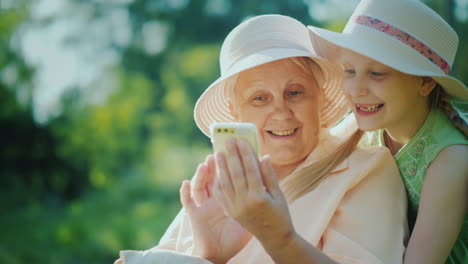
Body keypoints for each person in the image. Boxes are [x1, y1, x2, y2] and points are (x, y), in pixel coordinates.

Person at [114, 14, 408, 264]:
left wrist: (278, 238)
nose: (281, 111)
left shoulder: (364, 169)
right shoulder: (221, 178)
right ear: (235, 112)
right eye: (259, 98)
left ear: (319, 98)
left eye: (295, 92)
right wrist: (211, 254)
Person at [308, 0, 468, 263]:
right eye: (349, 70)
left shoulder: (449, 160)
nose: (356, 89)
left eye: (377, 73)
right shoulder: (363, 127)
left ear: (425, 82)